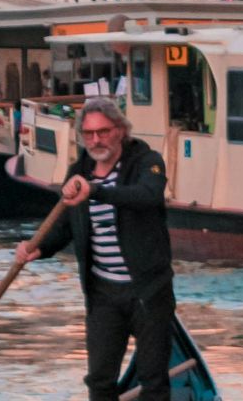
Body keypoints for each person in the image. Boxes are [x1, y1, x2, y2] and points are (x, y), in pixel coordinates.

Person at [14, 98, 175, 401]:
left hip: (149, 291)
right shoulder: (79, 173)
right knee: (99, 381)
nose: (96, 140)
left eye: (103, 131)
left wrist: (96, 191)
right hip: (103, 294)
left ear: (120, 130)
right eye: (88, 134)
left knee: (153, 380)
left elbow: (147, 196)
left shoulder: (147, 161)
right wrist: (39, 249)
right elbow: (64, 226)